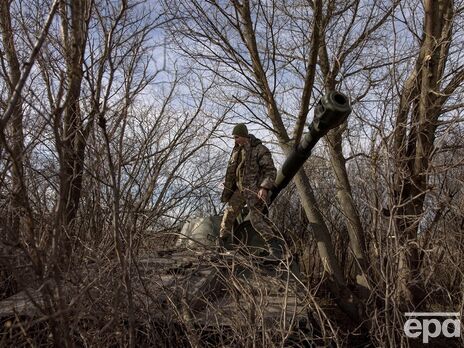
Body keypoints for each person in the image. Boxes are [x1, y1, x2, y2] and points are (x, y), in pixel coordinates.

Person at [219, 123, 283, 260]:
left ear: (244, 135)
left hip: (254, 190)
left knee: (256, 220)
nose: (235, 140)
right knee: (228, 214)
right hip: (239, 190)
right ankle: (223, 245)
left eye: (237, 137)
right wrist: (227, 184)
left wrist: (264, 188)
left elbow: (271, 171)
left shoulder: (259, 150)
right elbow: (233, 171)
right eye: (234, 137)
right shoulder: (236, 151)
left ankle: (276, 250)